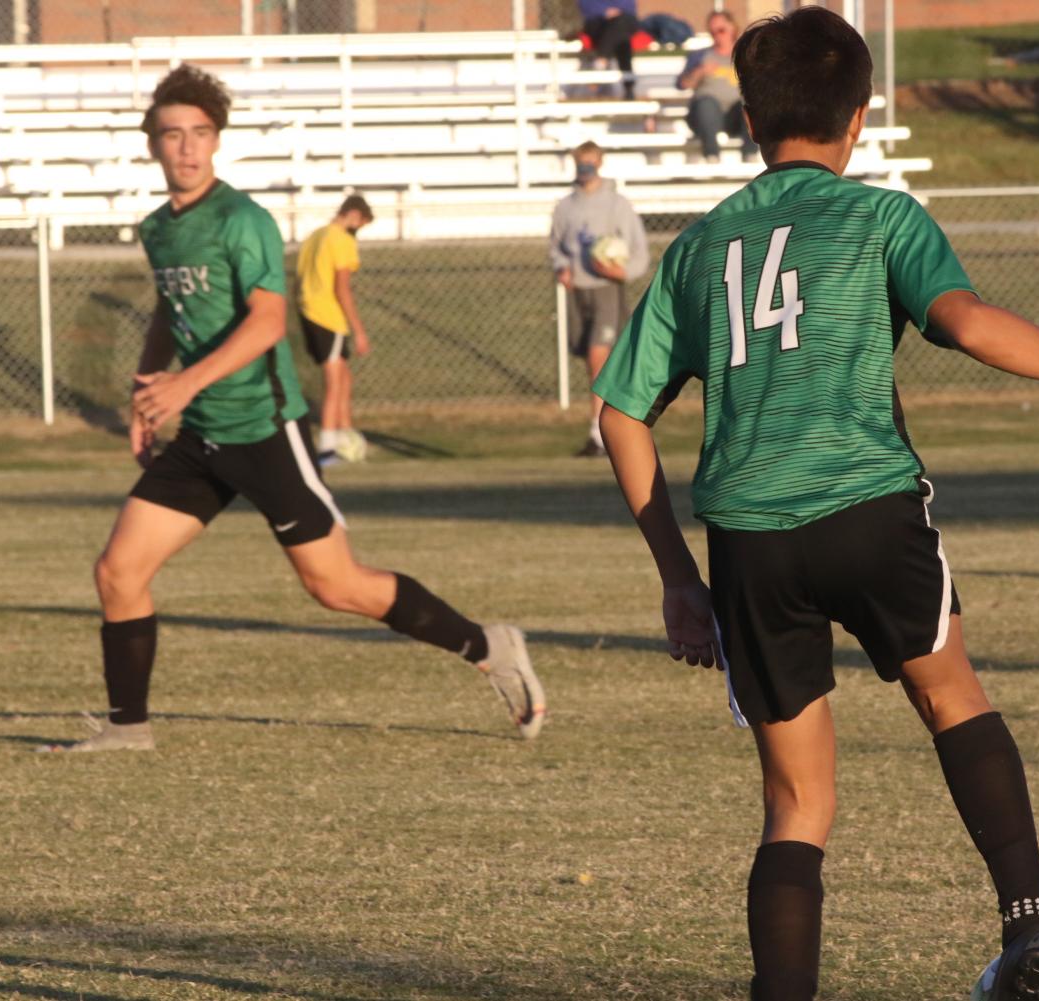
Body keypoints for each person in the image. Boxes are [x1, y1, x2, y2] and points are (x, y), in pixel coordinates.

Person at [593, 9, 1039, 1001]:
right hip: (867, 506)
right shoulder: (879, 217)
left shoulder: (698, 250)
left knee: (796, 803)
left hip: (748, 538)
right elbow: (966, 321)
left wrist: (677, 579)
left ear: (749, 122)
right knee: (950, 692)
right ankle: (1029, 924)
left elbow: (620, 414)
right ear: (858, 118)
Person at [37, 65, 546, 753]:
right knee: (118, 570)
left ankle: (487, 643)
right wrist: (148, 388)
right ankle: (129, 726)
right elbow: (171, 306)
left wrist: (184, 387)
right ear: (152, 145)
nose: (186, 147)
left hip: (265, 429)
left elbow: (268, 322)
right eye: (171, 135)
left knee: (334, 586)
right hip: (203, 437)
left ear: (216, 141)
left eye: (200, 134)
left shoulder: (241, 219)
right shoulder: (157, 228)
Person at [549, 140, 649, 457]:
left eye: (590, 161)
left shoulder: (617, 204)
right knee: (592, 364)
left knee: (599, 358)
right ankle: (603, 431)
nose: (585, 168)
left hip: (607, 290)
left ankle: (602, 432)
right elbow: (556, 248)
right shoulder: (565, 207)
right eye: (580, 162)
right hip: (579, 292)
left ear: (600, 163)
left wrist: (621, 272)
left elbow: (638, 253)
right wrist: (562, 268)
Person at [298, 194, 374, 467]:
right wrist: (359, 330)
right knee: (334, 382)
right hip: (327, 317)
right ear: (353, 215)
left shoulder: (314, 237)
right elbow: (341, 288)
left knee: (344, 377)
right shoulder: (341, 240)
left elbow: (301, 278)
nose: (357, 232)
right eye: (359, 226)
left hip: (308, 314)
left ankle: (344, 437)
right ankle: (327, 449)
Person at [677, 10, 757, 163]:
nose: (717, 35)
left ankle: (750, 154)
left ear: (732, 28)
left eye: (721, 30)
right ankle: (712, 155)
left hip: (736, 115)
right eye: (712, 32)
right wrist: (700, 71)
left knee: (750, 105)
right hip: (706, 115)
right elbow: (682, 84)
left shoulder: (746, 55)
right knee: (706, 103)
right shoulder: (700, 56)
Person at [579, 0, 639, 99]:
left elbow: (630, 6)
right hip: (599, 23)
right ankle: (629, 87)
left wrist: (617, 11)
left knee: (620, 24)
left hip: (624, 20)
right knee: (621, 37)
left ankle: (601, 61)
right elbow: (585, 5)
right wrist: (604, 12)